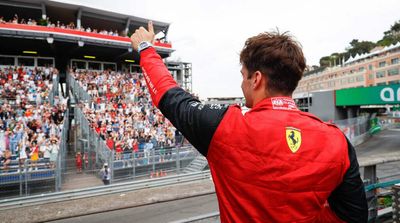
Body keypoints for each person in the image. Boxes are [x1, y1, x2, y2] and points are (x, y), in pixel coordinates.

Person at [130, 22, 368, 222]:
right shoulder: (337, 140)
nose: (242, 84)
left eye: (243, 76)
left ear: (256, 79)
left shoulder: (225, 126)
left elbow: (170, 98)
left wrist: (146, 49)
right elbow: (354, 216)